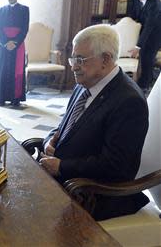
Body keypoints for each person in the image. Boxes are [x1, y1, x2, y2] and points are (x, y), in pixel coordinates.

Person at [40, 24, 149, 221]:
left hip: (93, 193)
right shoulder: (85, 84)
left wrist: (62, 167)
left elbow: (116, 166)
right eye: (73, 58)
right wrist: (50, 140)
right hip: (65, 179)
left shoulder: (129, 101)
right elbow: (66, 126)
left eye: (80, 59)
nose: (73, 66)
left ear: (105, 59)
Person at [0, 0, 29, 107]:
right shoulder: (0, 10)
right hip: (3, 46)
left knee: (16, 72)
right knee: (2, 71)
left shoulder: (25, 9)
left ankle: (15, 99)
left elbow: (25, 29)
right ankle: (0, 99)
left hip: (18, 46)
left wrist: (15, 42)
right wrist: (6, 42)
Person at [128, 0, 161, 92]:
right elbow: (133, 16)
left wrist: (138, 46)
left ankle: (144, 86)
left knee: (148, 58)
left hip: (156, 33)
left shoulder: (155, 3)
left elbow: (149, 26)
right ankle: (147, 80)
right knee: (143, 56)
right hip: (143, 31)